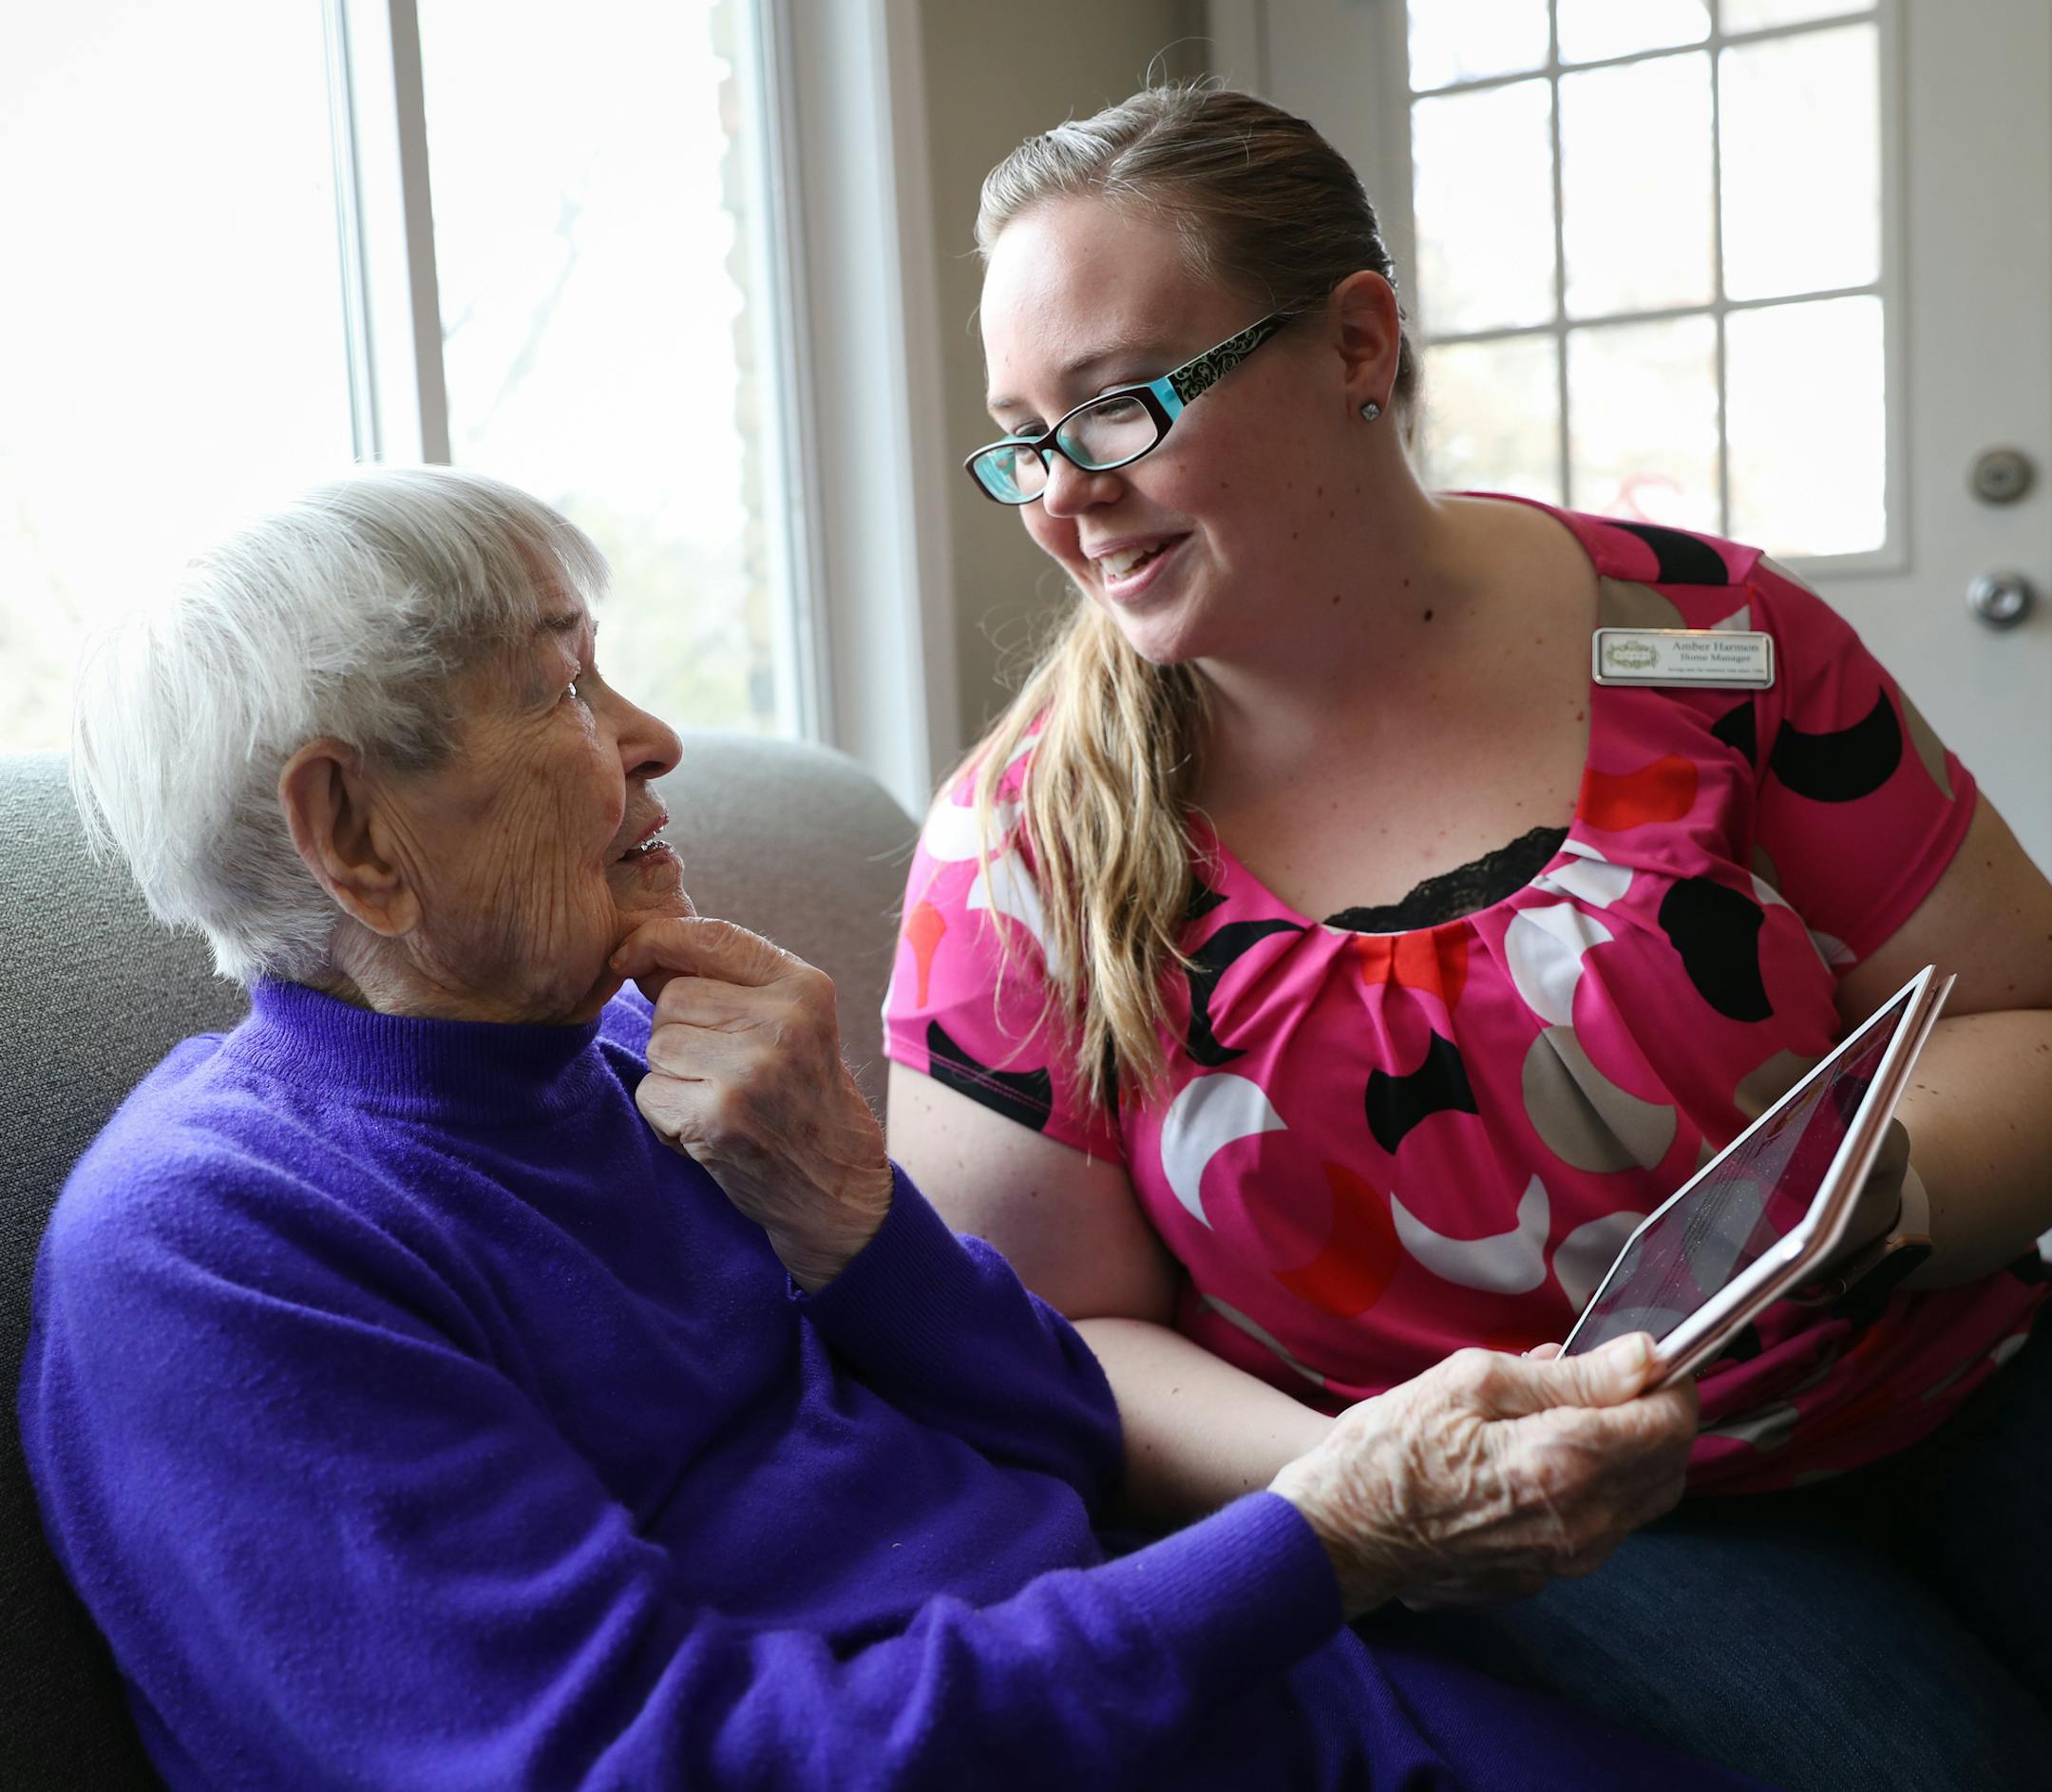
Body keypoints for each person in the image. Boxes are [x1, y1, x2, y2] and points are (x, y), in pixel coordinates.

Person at [19, 467, 1760, 1792]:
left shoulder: (635, 1055)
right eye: (560, 692)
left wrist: (850, 1208)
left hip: (1247, 1704)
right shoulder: (214, 1256)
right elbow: (662, 1762)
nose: (652, 739)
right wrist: (1330, 1531)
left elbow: (1062, 1451)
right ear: (352, 831)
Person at [883, 83, 2052, 1791]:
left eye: (1118, 409)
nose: (1065, 498)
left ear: (1356, 342)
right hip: (1553, 1534)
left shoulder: (1711, 637)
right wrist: (1394, 1489)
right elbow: (1045, 1330)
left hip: (1953, 1381)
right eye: (1023, 438)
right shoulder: (1021, 853)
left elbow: (2018, 1010)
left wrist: (1869, 1198)